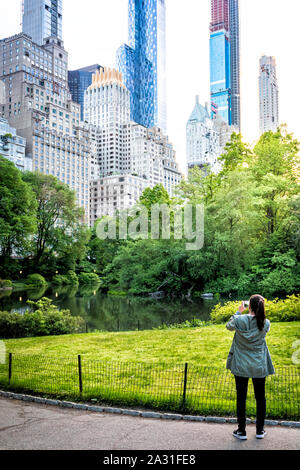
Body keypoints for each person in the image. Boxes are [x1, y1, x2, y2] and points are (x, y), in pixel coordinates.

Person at [226, 294, 275, 440]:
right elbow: (258, 323)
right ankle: (260, 431)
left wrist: (239, 311)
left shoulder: (239, 320)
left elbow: (228, 326)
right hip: (258, 365)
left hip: (241, 364)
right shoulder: (265, 323)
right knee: (261, 398)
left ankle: (241, 431)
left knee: (241, 398)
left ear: (250, 306)